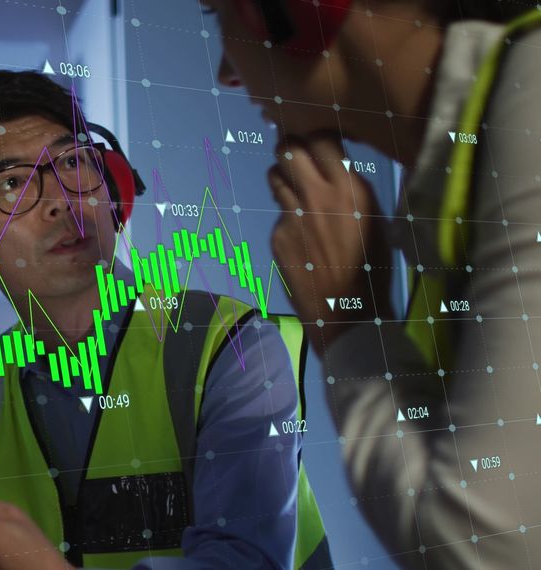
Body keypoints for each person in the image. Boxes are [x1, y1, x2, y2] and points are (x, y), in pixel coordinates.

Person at [0, 70, 332, 569]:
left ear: (113, 188)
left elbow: (244, 561)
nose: (63, 201)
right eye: (13, 182)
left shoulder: (229, 347)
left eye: (73, 162)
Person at [200, 0, 541, 567]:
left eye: (220, 13)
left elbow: (491, 549)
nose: (226, 73)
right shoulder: (460, 187)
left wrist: (349, 323)